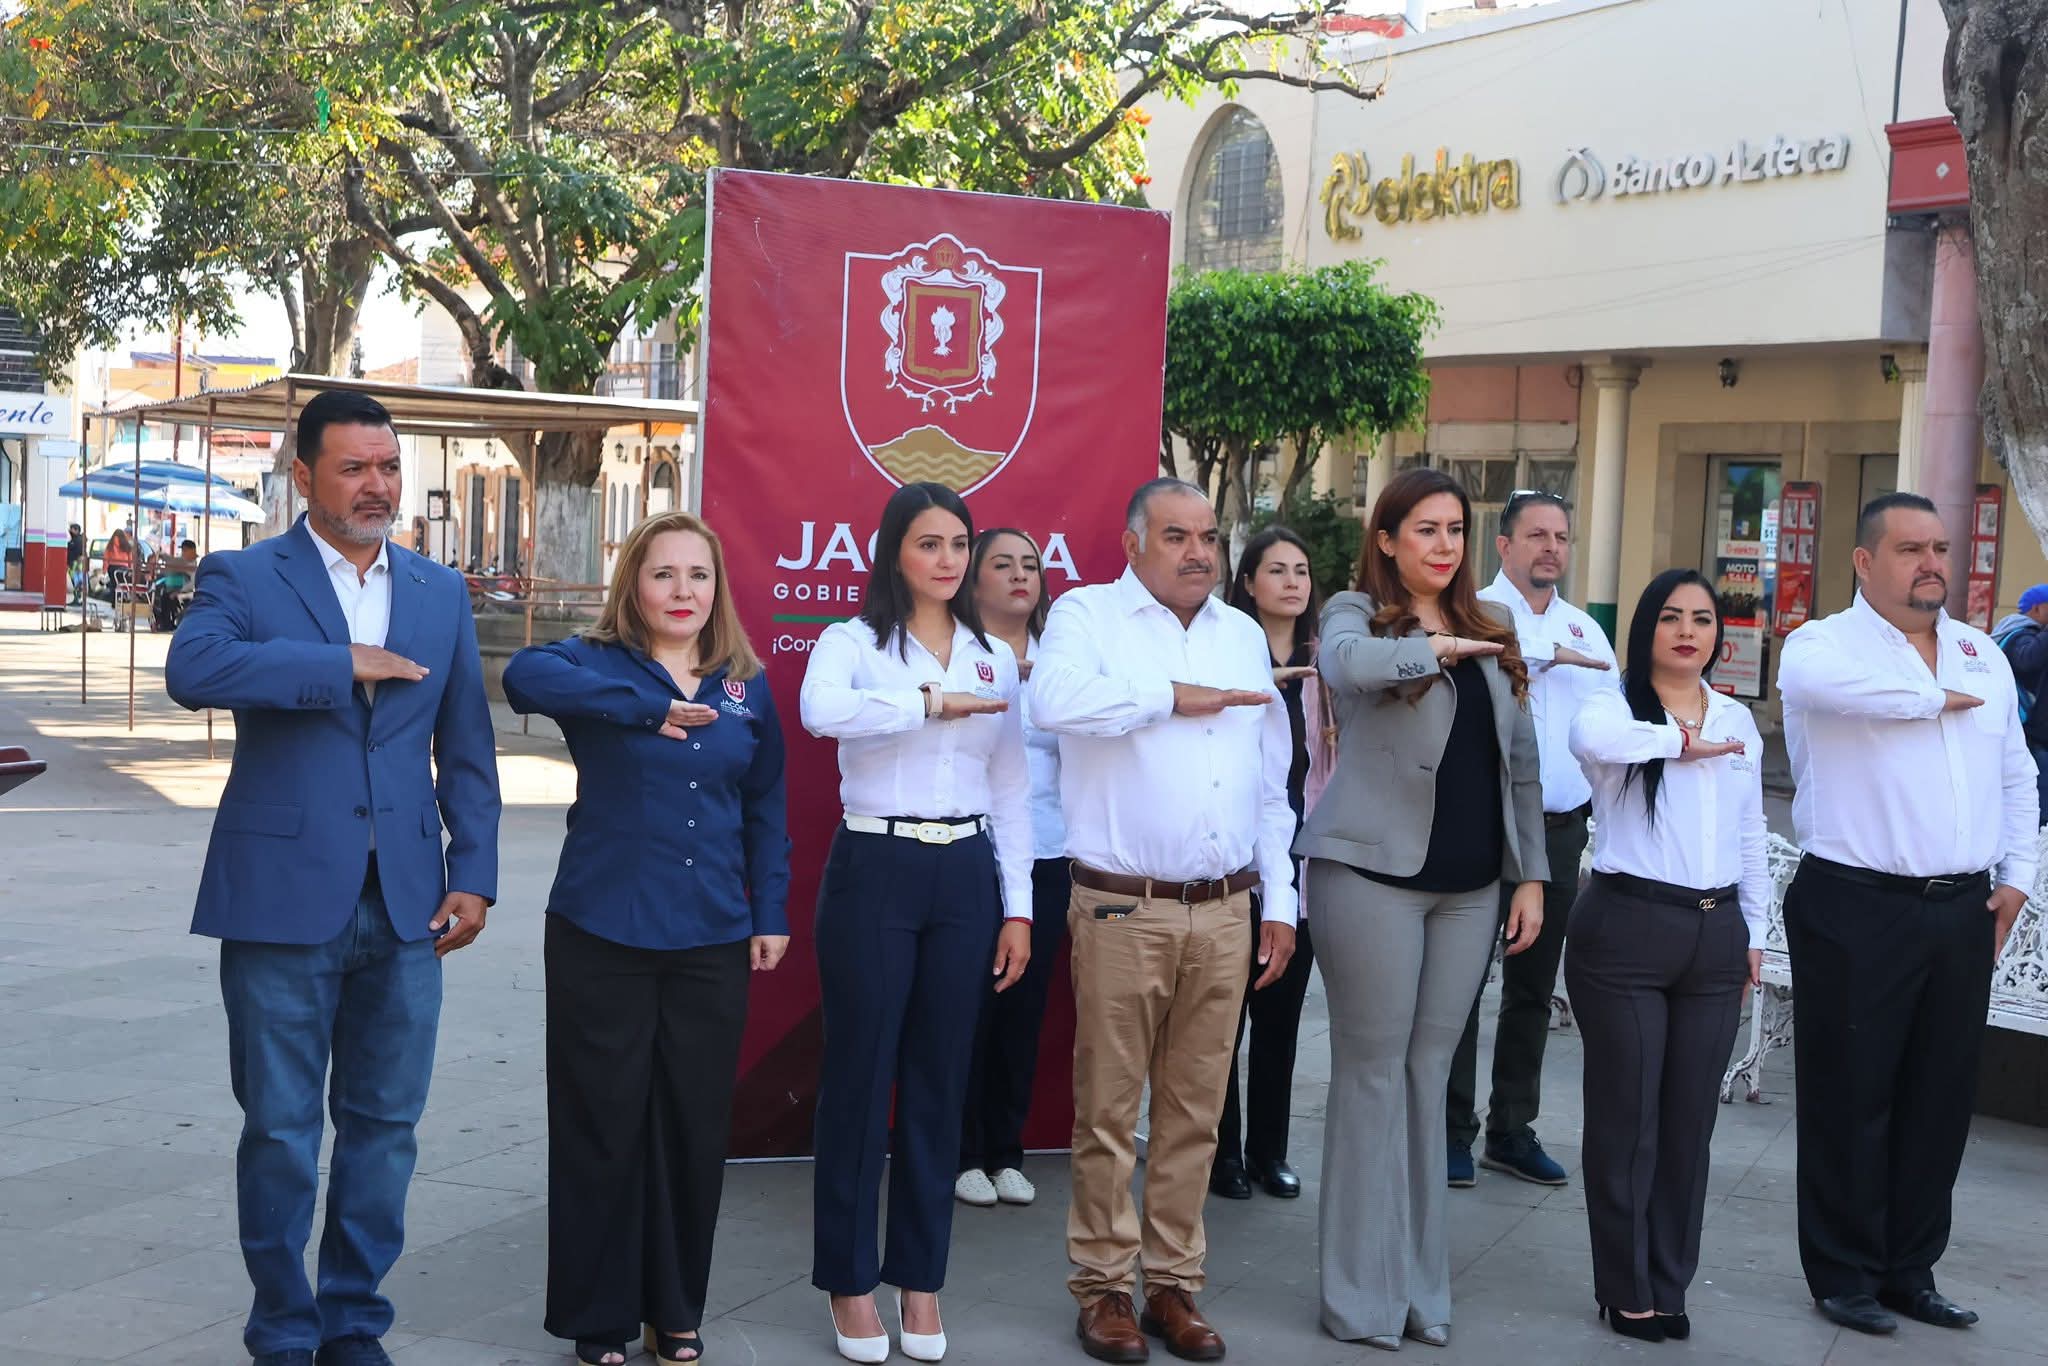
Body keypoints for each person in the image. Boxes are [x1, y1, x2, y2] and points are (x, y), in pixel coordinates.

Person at [164, 388, 501, 1366]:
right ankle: (281, 1327)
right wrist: (333, 660)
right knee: (277, 1130)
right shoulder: (243, 574)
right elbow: (196, 668)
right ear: (302, 474)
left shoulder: (439, 593)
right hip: (278, 902)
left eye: (389, 466)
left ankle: (353, 1321)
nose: (377, 485)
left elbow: (467, 748)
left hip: (406, 906)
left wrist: (471, 871)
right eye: (354, 467)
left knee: (385, 1128)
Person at [503, 510, 791, 1366]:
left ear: (716, 588)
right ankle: (600, 1317)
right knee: (602, 1122)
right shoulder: (593, 667)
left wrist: (768, 908)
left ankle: (676, 1307)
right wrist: (645, 707)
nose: (682, 592)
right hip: (603, 929)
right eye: (663, 574)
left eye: (697, 576)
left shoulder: (746, 683)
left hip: (711, 936)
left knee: (693, 1125)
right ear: (634, 582)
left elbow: (767, 806)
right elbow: (522, 677)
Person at [1031, 477, 1297, 1365]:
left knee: (1194, 1114)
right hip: (1120, 903)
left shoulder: (1242, 635)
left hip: (1223, 909)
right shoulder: (1086, 617)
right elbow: (1054, 703)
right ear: (1133, 541)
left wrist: (1279, 901)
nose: (1198, 553)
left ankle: (1172, 1286)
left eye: (1209, 537)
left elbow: (1270, 782)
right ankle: (1103, 1288)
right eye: (1177, 535)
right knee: (1107, 1110)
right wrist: (1171, 695)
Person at [1294, 467, 1545, 1350]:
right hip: (1368, 878)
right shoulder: (1353, 613)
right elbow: (1341, 668)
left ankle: (1420, 1291)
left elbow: (1521, 764)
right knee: (1370, 1079)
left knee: (1426, 1080)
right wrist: (1432, 650)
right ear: (1390, 538)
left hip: (1471, 890)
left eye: (1454, 530)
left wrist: (1533, 877)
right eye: (1425, 530)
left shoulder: (1496, 624)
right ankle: (1360, 1297)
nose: (1443, 545)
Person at [1776, 492, 2035, 1337]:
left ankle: (1908, 1268)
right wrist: (1933, 700)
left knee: (1938, 1097)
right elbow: (1837, 691)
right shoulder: (1822, 646)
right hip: (1856, 903)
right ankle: (1844, 1271)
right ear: (1863, 561)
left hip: (1961, 907)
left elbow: (2015, 769)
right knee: (1849, 1094)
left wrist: (2018, 877)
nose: (1932, 563)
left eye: (1939, 549)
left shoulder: (1978, 652)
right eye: (1910, 549)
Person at [799, 481, 1034, 1365]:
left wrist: (1019, 907)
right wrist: (926, 703)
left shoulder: (993, 657)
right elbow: (823, 713)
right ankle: (850, 1284)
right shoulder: (852, 643)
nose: (948, 561)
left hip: (966, 873)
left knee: (939, 1081)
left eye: (959, 545)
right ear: (895, 551)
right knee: (860, 1082)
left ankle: (921, 1281)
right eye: (930, 544)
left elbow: (1010, 789)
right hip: (875, 865)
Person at [1564, 568, 1766, 1344]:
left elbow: (1750, 833)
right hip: (1627, 928)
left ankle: (1670, 1280)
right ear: (1646, 626)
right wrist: (1679, 742)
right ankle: (1625, 1286)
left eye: (1704, 619)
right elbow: (1594, 743)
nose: (1689, 631)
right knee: (1628, 1119)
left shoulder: (1739, 720)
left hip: (1715, 933)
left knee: (1688, 1125)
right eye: (1672, 617)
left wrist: (1753, 934)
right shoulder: (1612, 708)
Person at [1448, 489, 1615, 1189]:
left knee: (1532, 987)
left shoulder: (1585, 631)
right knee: (1457, 985)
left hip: (1557, 831)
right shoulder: (1472, 616)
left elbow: (1609, 720)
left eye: (1562, 536)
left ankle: (1512, 1128)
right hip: (1482, 827)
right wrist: (1541, 657)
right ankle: (1449, 1130)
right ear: (1504, 546)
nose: (1552, 548)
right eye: (1537, 535)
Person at [1209, 526, 1330, 1202]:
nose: (1291, 581)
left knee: (1281, 1016)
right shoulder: (1229, 651)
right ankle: (1222, 1153)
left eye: (1302, 569)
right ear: (1248, 581)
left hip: (1301, 856)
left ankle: (1269, 1152)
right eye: (1276, 569)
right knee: (1222, 1017)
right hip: (1232, 855)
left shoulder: (1326, 667)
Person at [956, 528, 1067, 1211]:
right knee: (965, 1006)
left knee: (1024, 1009)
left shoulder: (1064, 659)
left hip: (1048, 851)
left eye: (1030, 565)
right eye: (1003, 564)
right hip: (970, 849)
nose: (1020, 576)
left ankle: (1006, 1151)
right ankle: (961, 1152)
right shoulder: (958, 655)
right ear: (973, 581)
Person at [1990, 583, 2048, 818]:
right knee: (2036, 799)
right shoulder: (2016, 634)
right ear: (2036, 609)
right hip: (2029, 733)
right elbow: (2027, 660)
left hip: (2036, 731)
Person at [66, 522, 84, 603]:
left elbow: (79, 553)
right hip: (73, 564)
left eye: (72, 529)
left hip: (76, 565)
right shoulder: (74, 540)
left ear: (77, 530)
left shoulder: (78, 540)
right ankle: (76, 598)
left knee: (77, 582)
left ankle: (77, 599)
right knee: (75, 581)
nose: (70, 531)